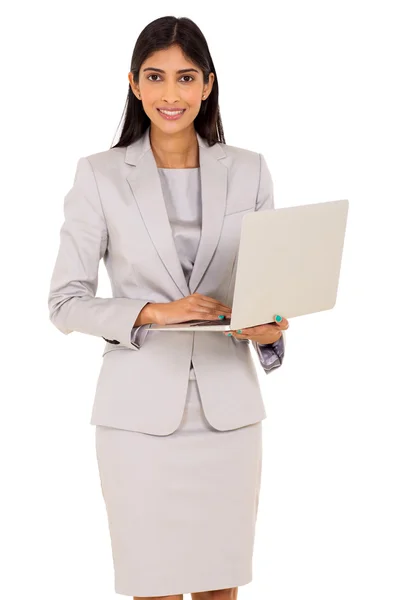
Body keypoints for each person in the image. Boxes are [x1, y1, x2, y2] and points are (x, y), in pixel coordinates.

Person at [48, 15, 289, 600]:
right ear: (134, 84)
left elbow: (273, 294)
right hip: (137, 420)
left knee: (218, 591)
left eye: (185, 78)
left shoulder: (250, 169)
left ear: (208, 84)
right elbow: (65, 302)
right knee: (153, 587)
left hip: (227, 418)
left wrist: (269, 328)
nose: (171, 94)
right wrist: (153, 312)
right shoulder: (100, 175)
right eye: (156, 77)